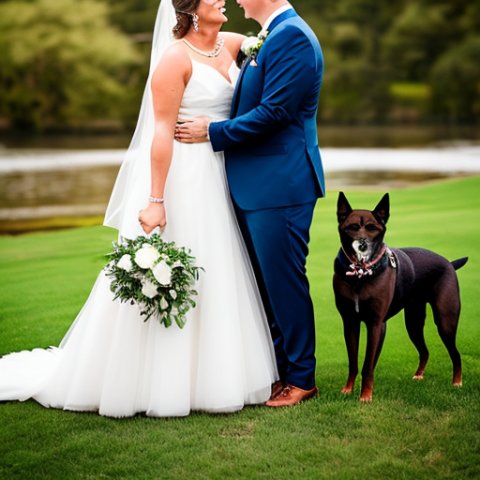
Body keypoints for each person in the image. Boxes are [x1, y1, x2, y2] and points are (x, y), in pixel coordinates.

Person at [0, 0, 278, 417]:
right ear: (192, 10)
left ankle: (222, 373)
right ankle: (154, 380)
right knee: (189, 259)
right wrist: (156, 200)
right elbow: (161, 131)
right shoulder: (173, 59)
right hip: (188, 177)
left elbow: (274, 52)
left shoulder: (235, 44)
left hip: (224, 172)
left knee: (222, 268)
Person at [175, 0, 325, 407]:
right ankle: (280, 371)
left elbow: (275, 112)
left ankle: (302, 378)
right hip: (258, 185)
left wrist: (214, 130)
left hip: (281, 185)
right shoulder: (271, 36)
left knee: (284, 283)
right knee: (266, 286)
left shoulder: (291, 36)